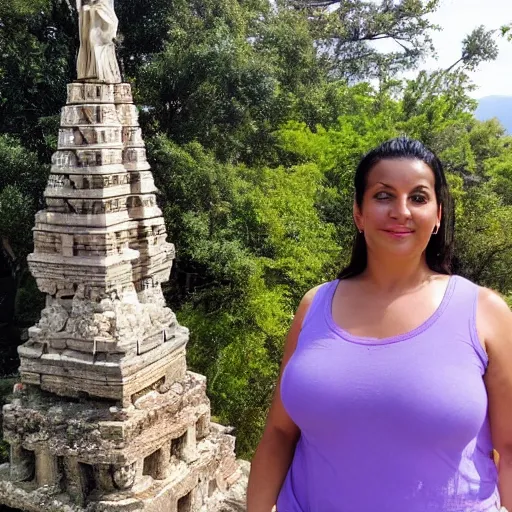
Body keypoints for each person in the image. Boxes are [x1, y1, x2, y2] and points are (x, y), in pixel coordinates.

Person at [246, 137, 512, 512]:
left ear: (438, 216)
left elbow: (510, 448)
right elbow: (279, 433)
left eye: (418, 197)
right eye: (383, 195)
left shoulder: (485, 312)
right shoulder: (315, 305)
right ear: (359, 213)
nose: (401, 211)